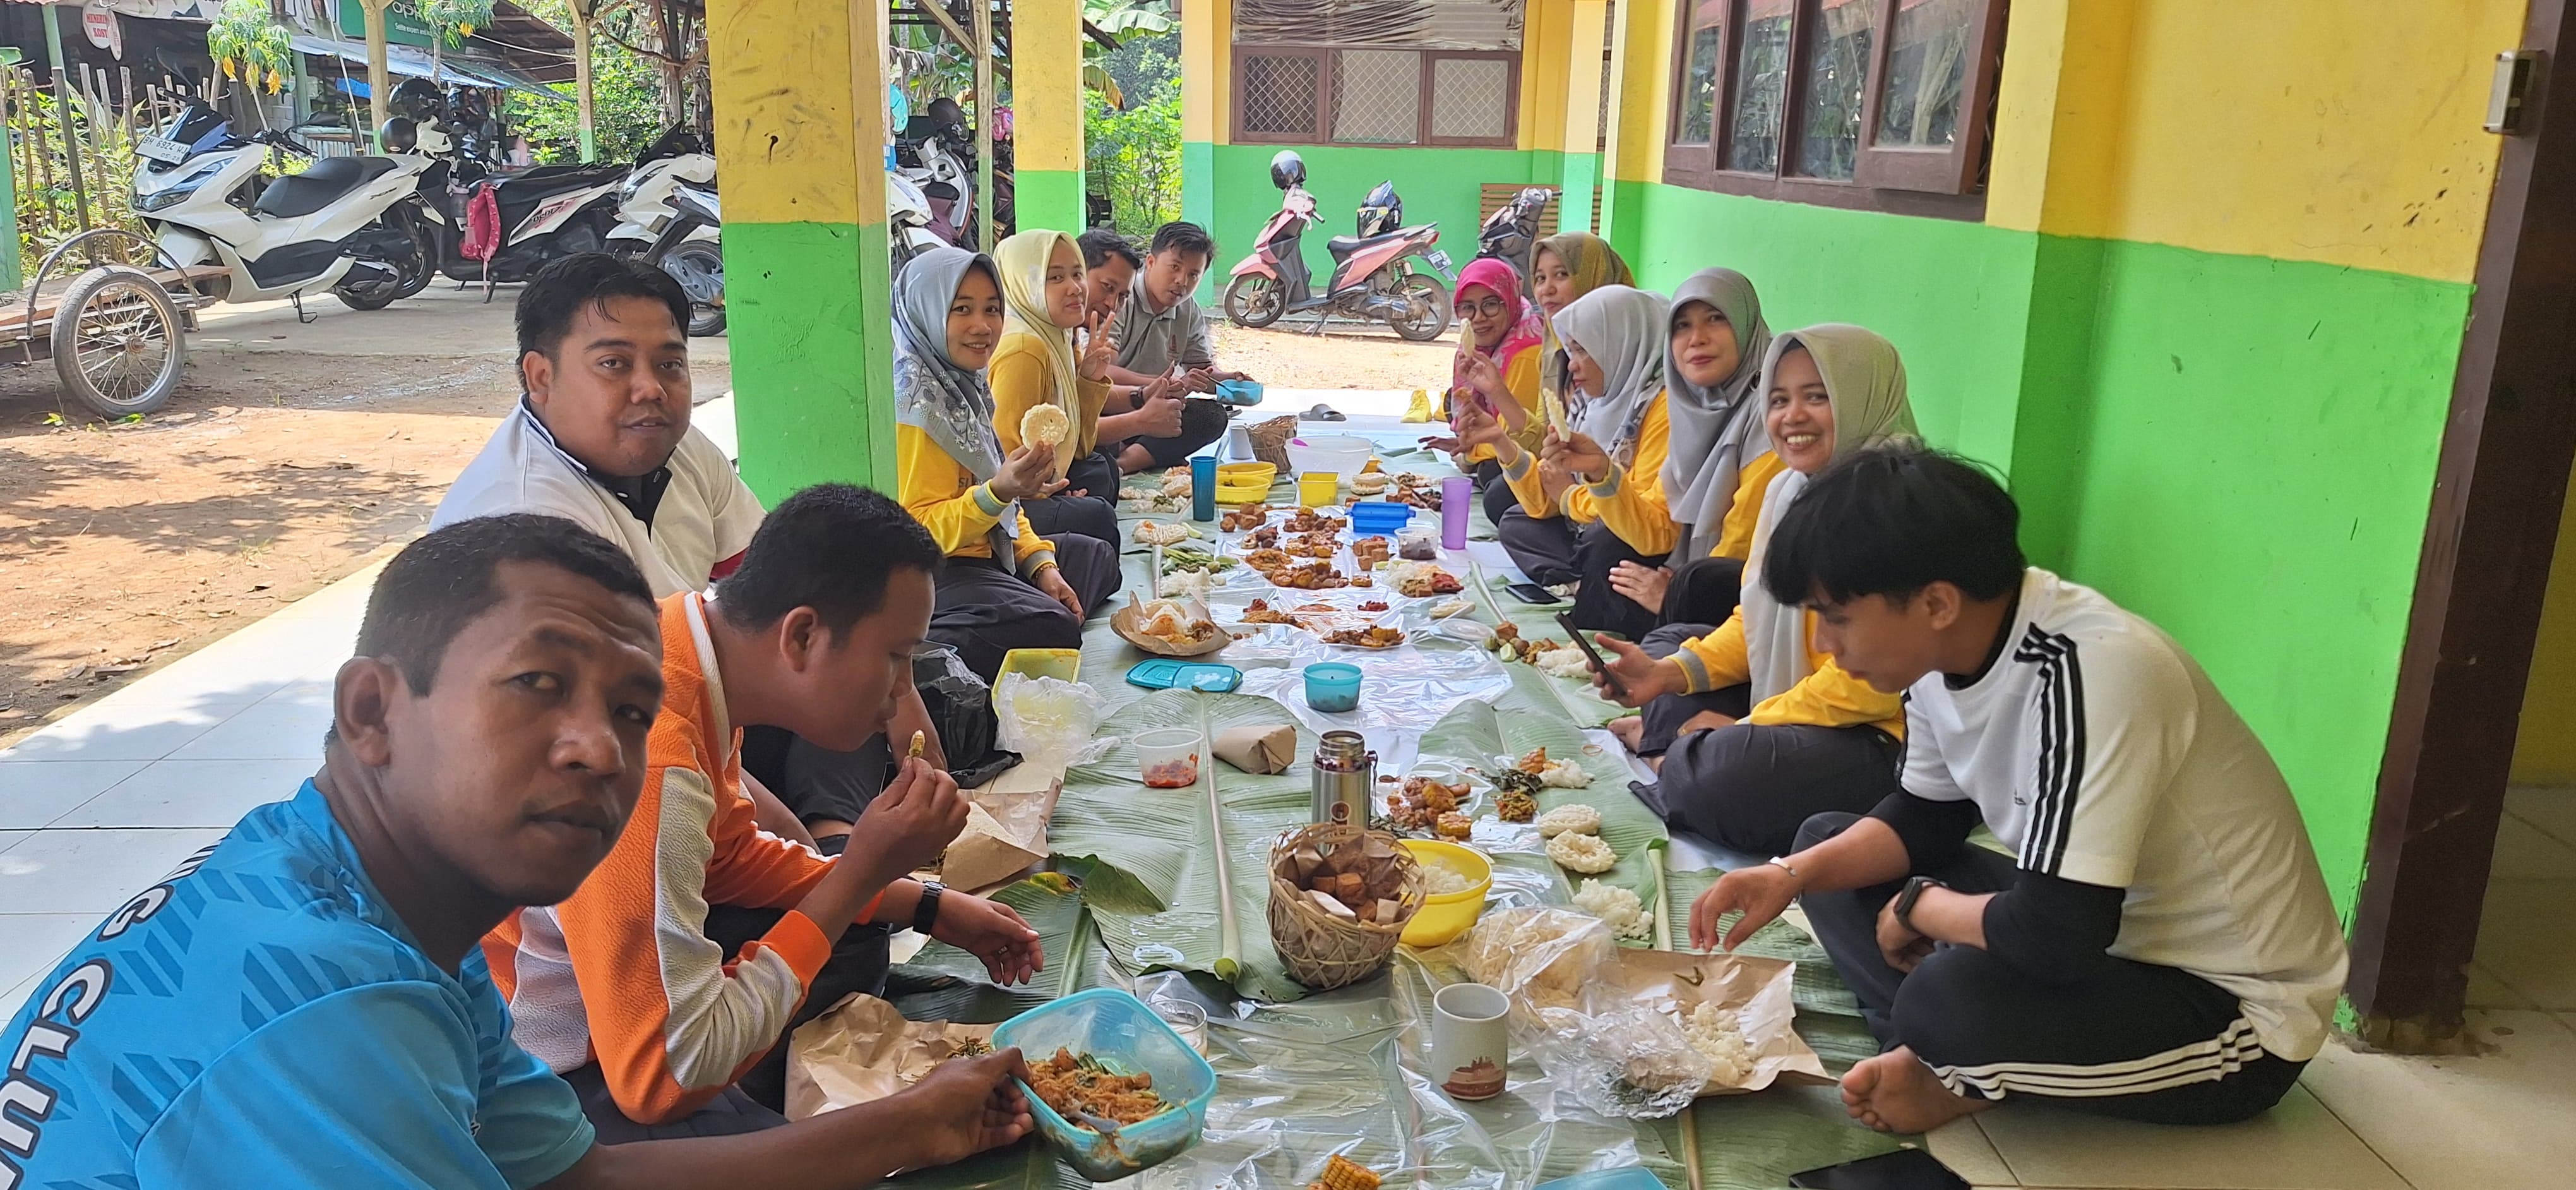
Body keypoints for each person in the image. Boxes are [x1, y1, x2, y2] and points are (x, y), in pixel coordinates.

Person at [0, 514, 1036, 1187]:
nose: (600, 747)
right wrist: (867, 876)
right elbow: (656, 1082)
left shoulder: (376, 907)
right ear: (373, 710)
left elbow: (574, 1175)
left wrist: (915, 1123)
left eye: (632, 710)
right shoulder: (331, 1015)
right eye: (537, 683)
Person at [1690, 443, 2349, 1133]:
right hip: (2100, 935)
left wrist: (1922, 907)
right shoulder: (1937, 657)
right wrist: (1786, 876)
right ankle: (1934, 1056)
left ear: (1937, 602)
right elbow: (1925, 819)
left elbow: (2056, 937)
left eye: (1839, 617)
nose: (1825, 644)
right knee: (1821, 847)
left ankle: (1951, 1062)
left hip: (2229, 1015)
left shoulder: (2092, 672)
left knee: (1947, 1001)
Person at [488, 484, 1045, 1138]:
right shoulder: (649, 762)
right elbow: (664, 1079)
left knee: (855, 929)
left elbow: (731, 858)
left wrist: (924, 904)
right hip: (543, 1071)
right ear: (803, 635)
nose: (904, 692)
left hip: (618, 1015)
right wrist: (860, 873)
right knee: (804, 1146)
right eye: (896, 658)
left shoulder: (684, 645)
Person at [432, 253, 946, 844]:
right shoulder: (525, 524)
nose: (651, 388)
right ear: (540, 376)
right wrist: (811, 866)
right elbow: (647, 736)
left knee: (848, 660)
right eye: (613, 364)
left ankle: (835, 825)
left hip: (693, 714)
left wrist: (898, 689)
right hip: (588, 777)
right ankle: (831, 837)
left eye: (670, 363)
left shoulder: (675, 446)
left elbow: (780, 594)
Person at [1592, 325, 1915, 853]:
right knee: (1668, 644)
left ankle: (1670, 758)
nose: (1792, 417)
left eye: (1818, 397)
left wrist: (1750, 724)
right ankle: (1679, 754)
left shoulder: (1898, 509)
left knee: (1727, 775)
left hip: (1879, 736)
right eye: (1780, 399)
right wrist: (1669, 675)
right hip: (1794, 697)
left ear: (1864, 398)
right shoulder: (1790, 492)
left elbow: (1870, 685)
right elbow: (1757, 622)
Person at [898, 244, 1122, 680]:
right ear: (926, 311)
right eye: (961, 309)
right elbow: (917, 534)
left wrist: (1042, 567)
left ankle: (1016, 604)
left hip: (989, 547)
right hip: (935, 571)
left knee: (1097, 557)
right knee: (1052, 625)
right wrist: (999, 492)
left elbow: (1010, 505)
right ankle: (921, 650)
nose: (982, 327)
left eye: (992, 309)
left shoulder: (966, 387)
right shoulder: (916, 408)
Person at [1462, 284, 1676, 641]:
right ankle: (1580, 580)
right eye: (1570, 351)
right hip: (1587, 526)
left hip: (1637, 545)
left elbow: (1639, 521)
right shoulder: (1588, 404)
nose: (1572, 365)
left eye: (1583, 351)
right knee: (1517, 520)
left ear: (1620, 345)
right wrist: (1500, 443)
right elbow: (1546, 499)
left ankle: (1587, 588)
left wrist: (1571, 497)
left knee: (1604, 542)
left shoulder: (1661, 410)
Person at [1606, 267, 1780, 627]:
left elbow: (1740, 550)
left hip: (1753, 601)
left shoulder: (1771, 414)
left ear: (1745, 326)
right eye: (1682, 326)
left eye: (1716, 319)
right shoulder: (1689, 409)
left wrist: (1679, 595)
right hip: (1700, 580)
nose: (1696, 339)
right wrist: (1599, 475)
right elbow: (1656, 530)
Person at [988, 229, 1121, 547]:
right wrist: (1043, 492)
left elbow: (1078, 445)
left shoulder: (1057, 334)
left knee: (1102, 469)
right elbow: (1003, 460)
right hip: (1006, 506)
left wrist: (1088, 379)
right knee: (1098, 515)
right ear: (1024, 284)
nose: (1075, 288)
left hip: (1040, 479)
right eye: (1055, 277)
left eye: (1077, 274)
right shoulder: (1024, 349)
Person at [1082, 227, 1231, 475]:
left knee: (1211, 416)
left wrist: (1228, 381)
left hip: (1153, 410)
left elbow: (1199, 369)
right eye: (1175, 267)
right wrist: (1155, 385)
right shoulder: (1120, 299)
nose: (1182, 281)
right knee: (1090, 418)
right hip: (1114, 405)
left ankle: (1124, 463)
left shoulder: (1188, 310)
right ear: (1150, 262)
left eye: (1194, 274)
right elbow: (1101, 371)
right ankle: (1144, 454)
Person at [1426, 256, 1544, 527]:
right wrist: (1466, 440)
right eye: (1468, 308)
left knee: (1495, 480)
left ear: (1511, 300)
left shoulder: (1525, 352)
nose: (1479, 318)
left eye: (1491, 305)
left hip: (1530, 453)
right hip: (1503, 440)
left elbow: (1519, 438)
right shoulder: (1485, 341)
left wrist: (1468, 455)